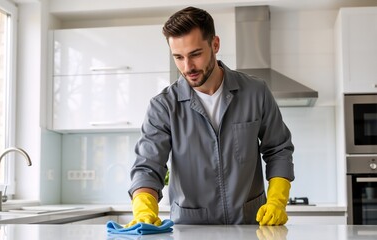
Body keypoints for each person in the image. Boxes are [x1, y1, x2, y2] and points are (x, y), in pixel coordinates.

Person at [126, 6, 294, 226]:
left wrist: (276, 201)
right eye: (178, 57)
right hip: (190, 228)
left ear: (215, 44)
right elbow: (148, 166)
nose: (187, 67)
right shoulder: (163, 106)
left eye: (195, 54)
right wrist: (143, 210)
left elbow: (278, 149)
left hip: (249, 225)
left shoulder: (256, 92)